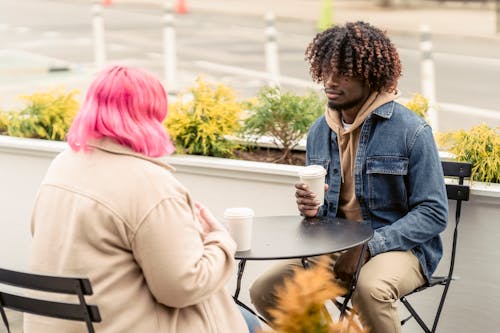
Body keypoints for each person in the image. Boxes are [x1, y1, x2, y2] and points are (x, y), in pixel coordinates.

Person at [24, 65, 259, 333]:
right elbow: (182, 288)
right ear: (153, 112)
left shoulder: (62, 165)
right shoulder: (151, 185)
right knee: (252, 323)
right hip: (126, 324)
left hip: (76, 323)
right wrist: (220, 241)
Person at [250, 21, 448, 333]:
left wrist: (370, 246)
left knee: (369, 288)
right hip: (338, 245)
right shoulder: (321, 131)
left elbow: (433, 212)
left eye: (344, 72)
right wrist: (312, 211)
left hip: (401, 248)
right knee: (267, 289)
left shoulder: (411, 131)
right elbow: (326, 211)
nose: (330, 80)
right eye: (326, 70)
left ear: (370, 76)